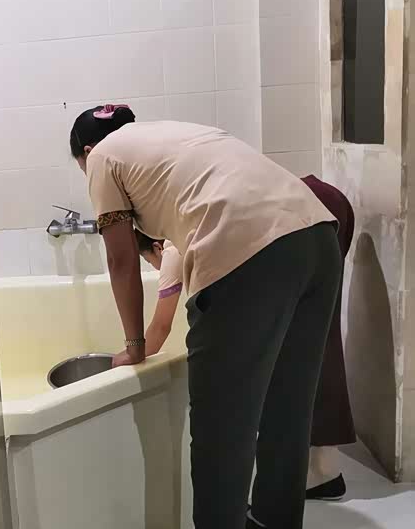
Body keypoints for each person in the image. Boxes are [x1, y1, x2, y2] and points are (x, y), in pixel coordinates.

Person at [70, 104, 341, 529]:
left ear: (86, 152)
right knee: (289, 396)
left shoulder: (102, 157)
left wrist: (134, 346)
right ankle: (272, 522)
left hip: (247, 249)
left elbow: (120, 259)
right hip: (317, 236)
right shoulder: (175, 133)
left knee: (221, 414)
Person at [136, 171, 357, 502]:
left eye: (148, 261)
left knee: (308, 346)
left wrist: (133, 360)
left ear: (155, 245)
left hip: (304, 211)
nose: (156, 268)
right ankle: (322, 469)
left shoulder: (170, 250)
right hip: (313, 202)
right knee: (316, 340)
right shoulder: (188, 220)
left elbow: (160, 327)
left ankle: (321, 472)